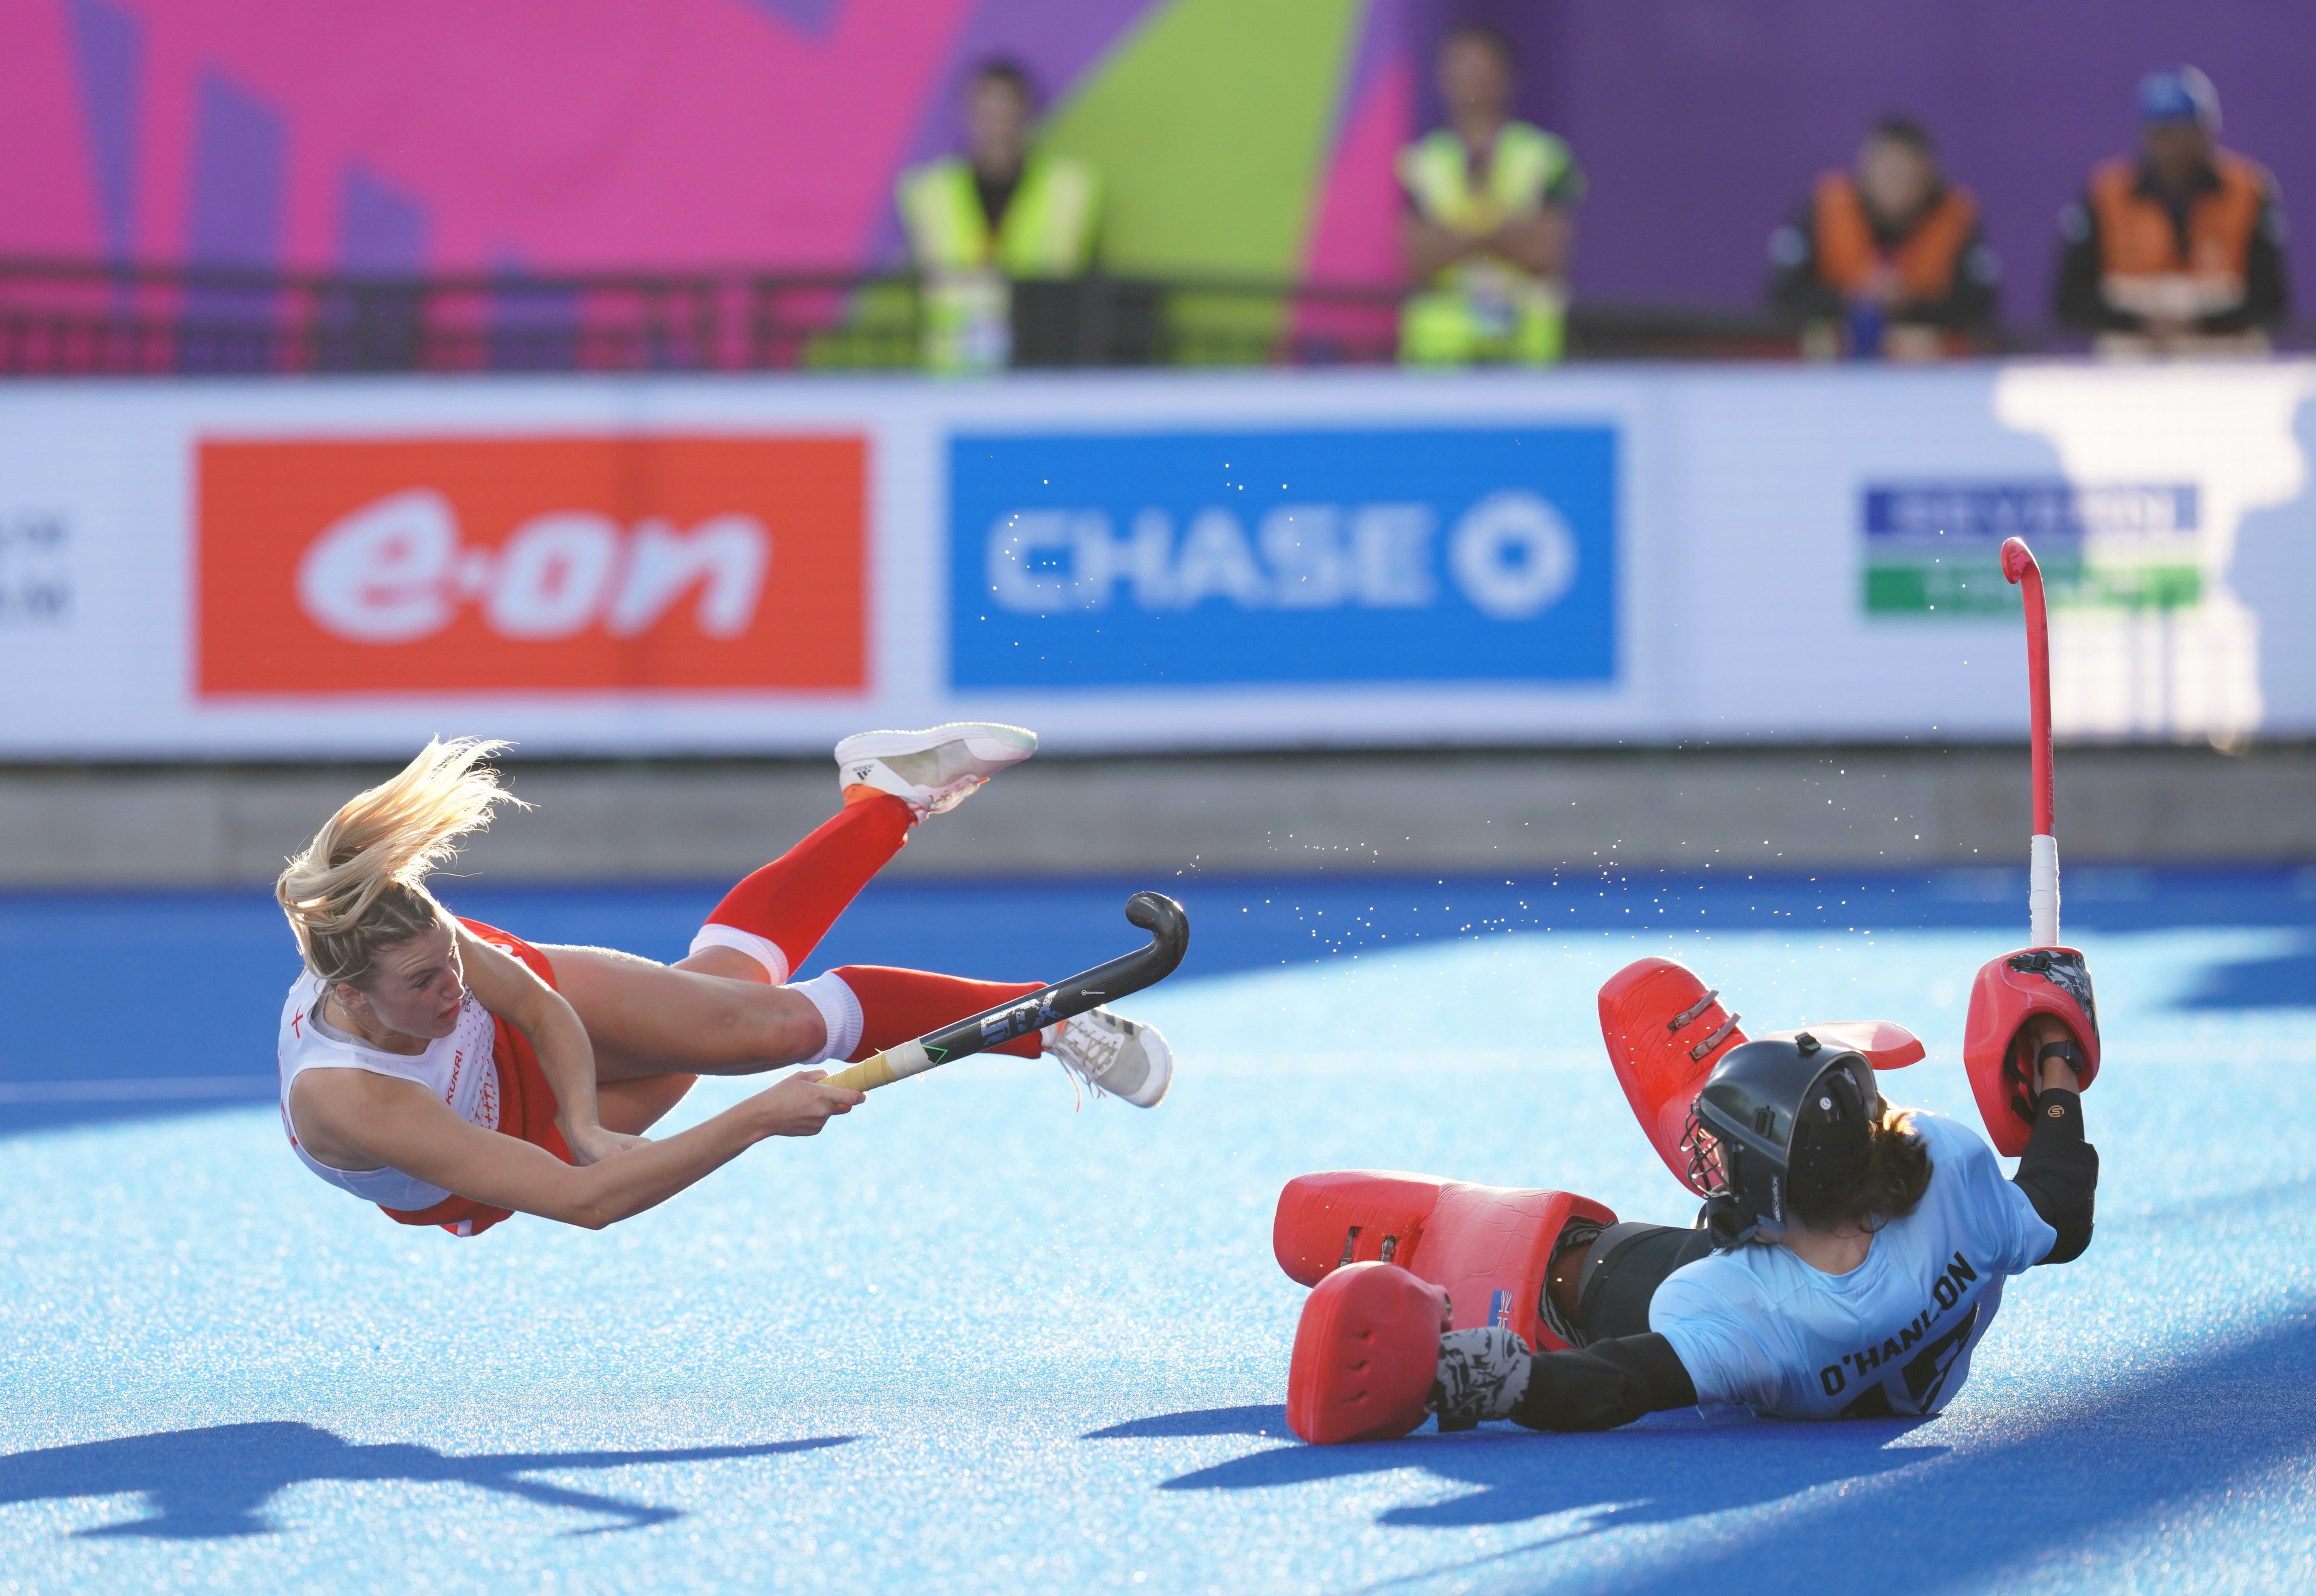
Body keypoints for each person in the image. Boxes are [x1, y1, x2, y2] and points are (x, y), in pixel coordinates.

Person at [273, 724, 1170, 1238]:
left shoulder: (425, 945)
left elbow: (538, 1006)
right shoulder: (357, 1099)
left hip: (548, 1090)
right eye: (429, 981)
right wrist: (756, 1120)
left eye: (454, 962)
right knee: (719, 1018)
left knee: (761, 1026)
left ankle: (1040, 1020)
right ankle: (882, 796)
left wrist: (585, 1117)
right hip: (489, 1149)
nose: (457, 988)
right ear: (351, 997)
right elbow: (589, 1201)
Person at [1283, 956, 2100, 1438]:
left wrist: (1467, 1376)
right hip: (1890, 1373)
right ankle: (1767, 1104)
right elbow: (2059, 1211)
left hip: (1789, 1317)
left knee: (1599, 1275)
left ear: (1774, 1198)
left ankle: (1552, 1280)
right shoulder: (1950, 1166)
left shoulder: (1747, 1312)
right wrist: (2053, 1056)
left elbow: (1618, 1380)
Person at [2053, 66, 2289, 355]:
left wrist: (2199, 321)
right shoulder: (2105, 194)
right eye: (2161, 132)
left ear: (2206, 132)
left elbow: (2272, 297)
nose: (2171, 146)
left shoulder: (2249, 190)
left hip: (2225, 348)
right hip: (2133, 350)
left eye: (2182, 131)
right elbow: (2071, 298)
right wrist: (2141, 322)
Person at [895, 60, 1101, 374]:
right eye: (987, 112)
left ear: (1027, 115)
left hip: (1039, 364)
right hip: (952, 373)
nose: (998, 125)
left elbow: (1062, 273)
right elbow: (935, 280)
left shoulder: (1069, 190)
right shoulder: (930, 193)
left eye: (1007, 112)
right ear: (968, 116)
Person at [1397, 24, 1583, 367]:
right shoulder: (1420, 163)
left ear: (1506, 78)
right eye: (1462, 71)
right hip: (1441, 358)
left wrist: (1459, 234)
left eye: (1483, 71)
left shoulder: (1545, 157)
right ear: (1443, 80)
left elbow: (1546, 252)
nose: (1473, 83)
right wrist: (1504, 232)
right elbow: (1418, 258)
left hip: (1526, 354)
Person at [1767, 116, 2000, 360]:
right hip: (1833, 369)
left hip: (1927, 373)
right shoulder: (1826, 206)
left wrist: (1912, 307)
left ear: (1929, 176)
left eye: (1908, 174)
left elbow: (1982, 310)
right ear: (1865, 170)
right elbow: (1783, 298)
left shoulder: (1955, 217)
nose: (1898, 185)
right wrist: (1857, 302)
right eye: (1889, 172)